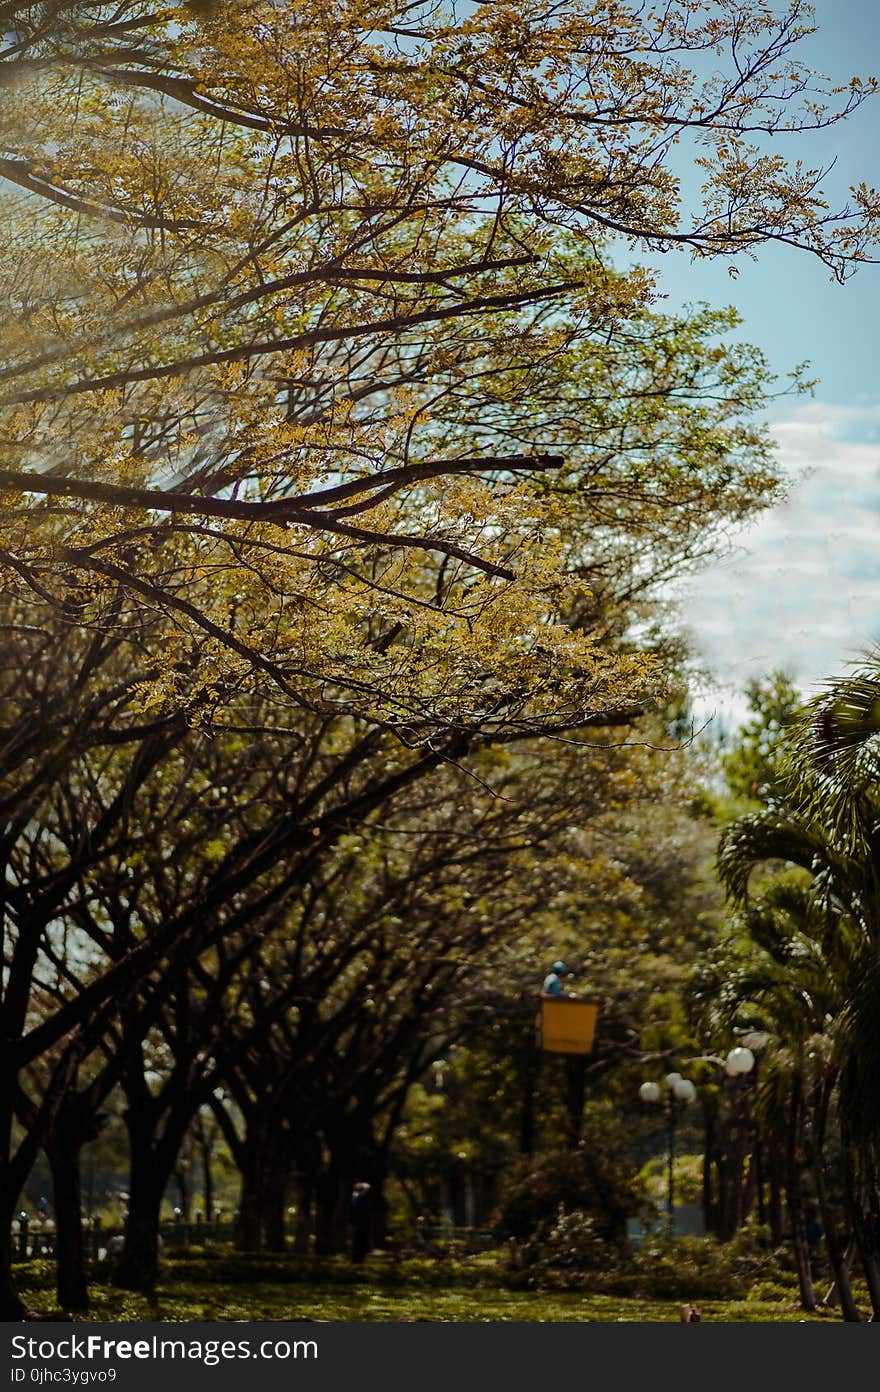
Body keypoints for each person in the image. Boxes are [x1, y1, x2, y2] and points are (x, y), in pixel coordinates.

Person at [350, 1181, 371, 1263]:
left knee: (360, 1241)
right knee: (358, 1241)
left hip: (361, 1223)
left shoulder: (359, 1197)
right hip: (359, 1223)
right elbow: (356, 1212)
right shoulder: (358, 1198)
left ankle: (359, 1258)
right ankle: (357, 1259)